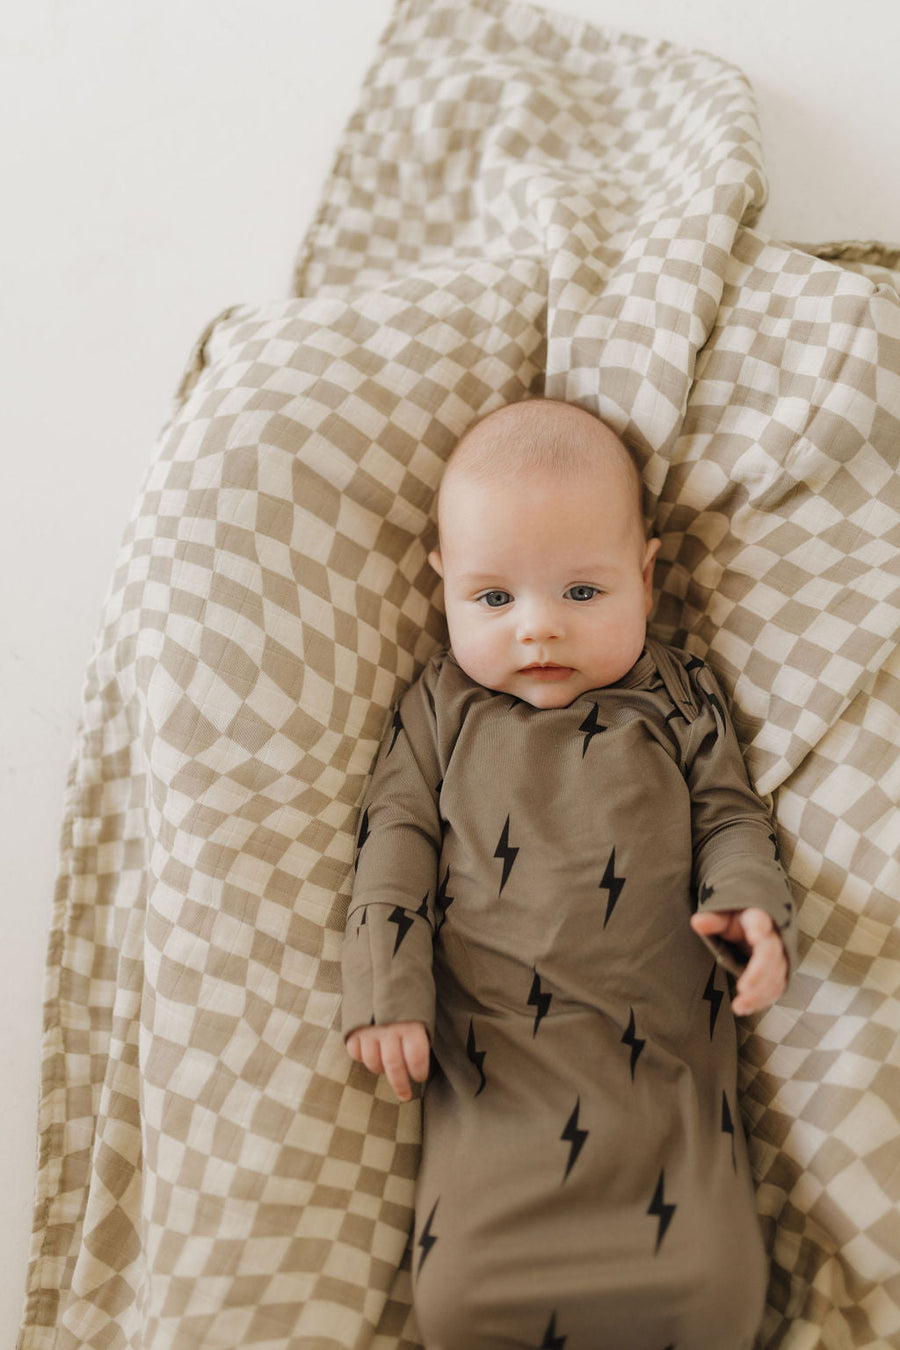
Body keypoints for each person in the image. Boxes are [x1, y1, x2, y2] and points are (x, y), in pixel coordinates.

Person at [341, 398, 796, 1350]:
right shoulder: (440, 708)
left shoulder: (675, 694)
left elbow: (729, 817)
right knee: (460, 1299)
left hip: (659, 1091)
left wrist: (749, 906)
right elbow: (394, 839)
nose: (537, 630)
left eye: (581, 593)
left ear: (645, 574)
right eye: (494, 599)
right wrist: (386, 986)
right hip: (498, 1083)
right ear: (444, 586)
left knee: (713, 1294)